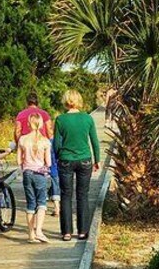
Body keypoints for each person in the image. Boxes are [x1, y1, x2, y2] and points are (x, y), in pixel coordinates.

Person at [54, 89, 100, 241]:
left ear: (66, 101)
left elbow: (56, 143)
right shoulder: (87, 118)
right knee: (82, 195)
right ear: (79, 101)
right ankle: (83, 231)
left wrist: (58, 157)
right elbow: (94, 140)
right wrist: (97, 159)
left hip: (66, 159)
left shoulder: (60, 119)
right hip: (85, 159)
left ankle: (66, 232)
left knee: (66, 195)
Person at [17, 113, 52, 243]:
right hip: (39, 174)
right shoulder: (45, 141)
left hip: (27, 173)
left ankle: (31, 234)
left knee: (30, 203)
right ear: (41, 124)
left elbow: (18, 159)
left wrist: (25, 166)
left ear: (28, 124)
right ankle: (39, 231)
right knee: (41, 202)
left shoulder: (22, 140)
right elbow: (48, 162)